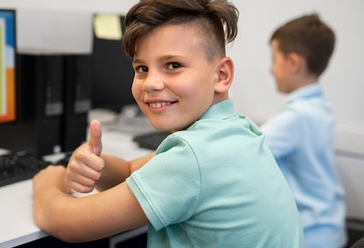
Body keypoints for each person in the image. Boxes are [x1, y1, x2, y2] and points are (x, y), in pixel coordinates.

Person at [32, 0, 304, 247]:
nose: (151, 83)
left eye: (173, 65)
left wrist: (48, 179)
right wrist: (95, 165)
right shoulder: (235, 129)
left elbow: (69, 223)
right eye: (142, 68)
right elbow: (129, 170)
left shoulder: (195, 158)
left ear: (221, 75)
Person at [261, 14, 346, 248]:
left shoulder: (296, 117)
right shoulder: (319, 106)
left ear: (293, 62)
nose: (271, 70)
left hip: (311, 236)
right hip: (330, 227)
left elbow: (247, 150)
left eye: (274, 59)